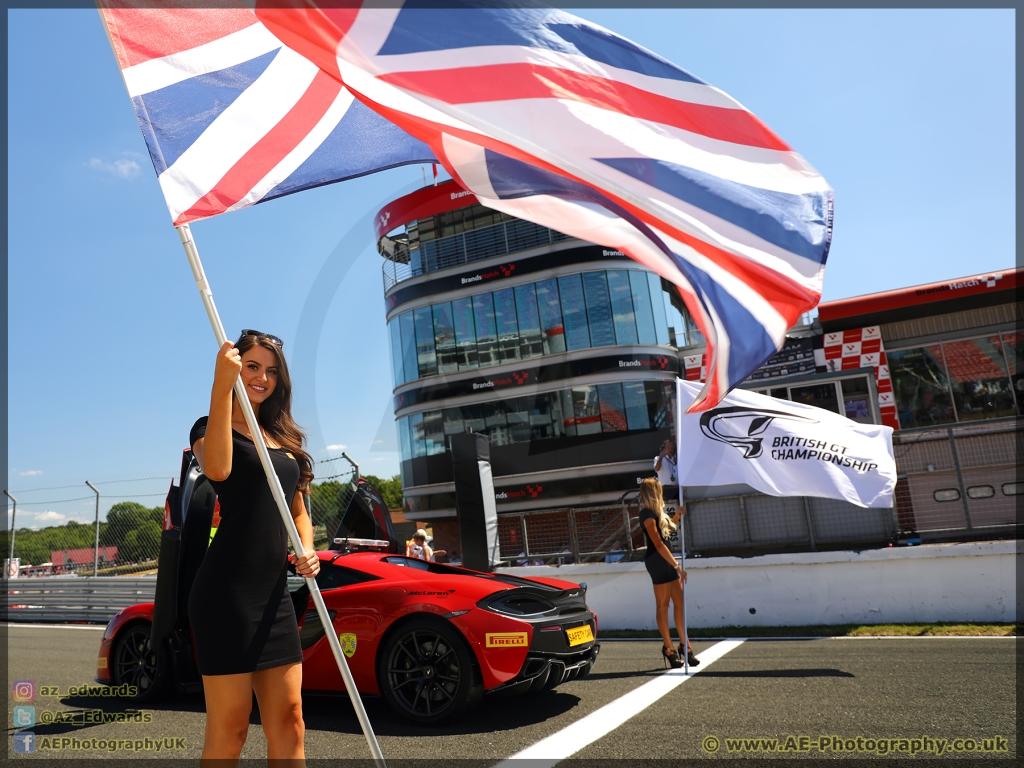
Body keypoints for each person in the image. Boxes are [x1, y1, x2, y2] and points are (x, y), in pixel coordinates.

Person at [188, 330, 320, 763]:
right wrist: (219, 383)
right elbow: (220, 469)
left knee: (291, 720)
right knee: (232, 730)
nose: (262, 377)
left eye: (271, 370)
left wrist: (307, 548)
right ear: (234, 367)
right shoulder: (211, 426)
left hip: (274, 596)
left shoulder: (283, 440)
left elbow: (297, 510)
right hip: (225, 595)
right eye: (251, 367)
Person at [637, 477, 699, 669]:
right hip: (657, 561)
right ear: (654, 492)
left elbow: (665, 533)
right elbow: (658, 544)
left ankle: (685, 646)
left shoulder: (656, 512)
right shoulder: (646, 514)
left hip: (667, 559)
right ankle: (669, 649)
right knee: (663, 605)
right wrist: (677, 566)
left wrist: (676, 517)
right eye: (659, 490)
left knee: (680, 604)